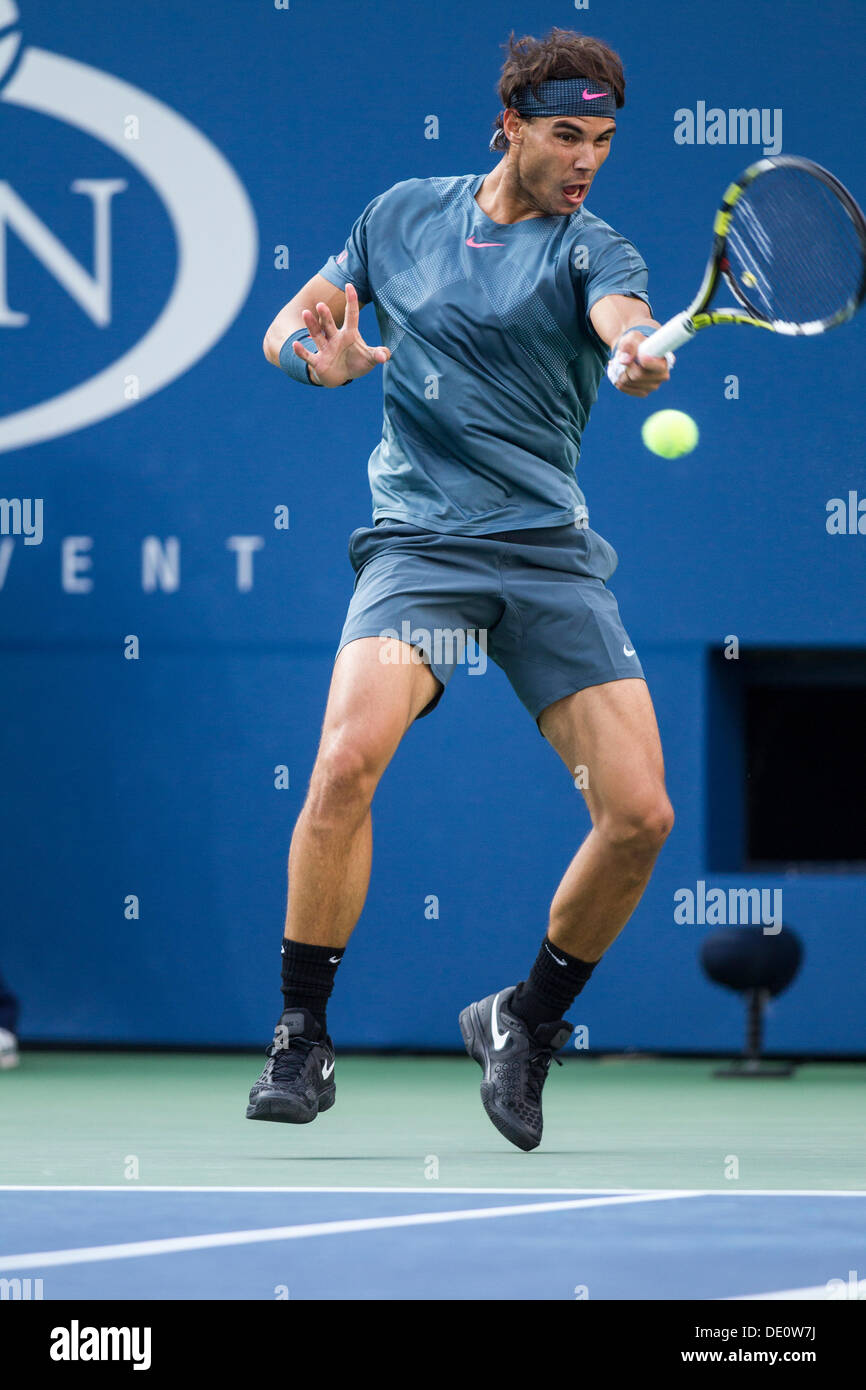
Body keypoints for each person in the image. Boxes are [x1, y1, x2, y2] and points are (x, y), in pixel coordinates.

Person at [247, 27, 674, 1151]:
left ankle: (524, 1022)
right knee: (344, 757)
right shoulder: (399, 217)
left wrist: (632, 353)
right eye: (565, 134)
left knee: (636, 816)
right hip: (420, 546)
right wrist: (318, 361)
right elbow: (287, 326)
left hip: (545, 556)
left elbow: (619, 323)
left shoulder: (598, 253)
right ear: (510, 129)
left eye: (604, 140)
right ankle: (302, 1031)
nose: (586, 159)